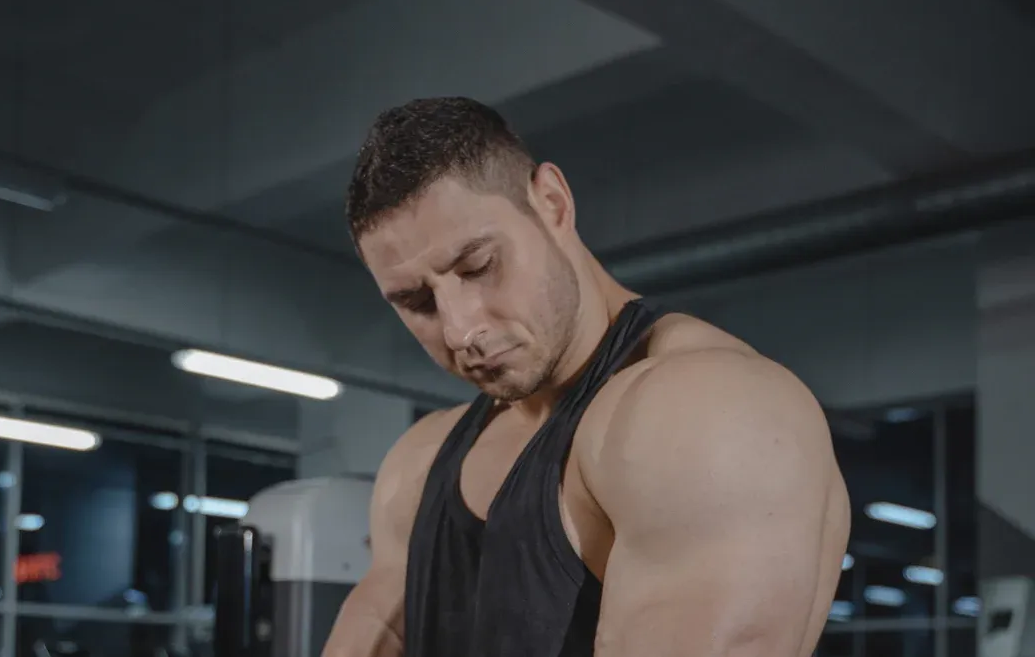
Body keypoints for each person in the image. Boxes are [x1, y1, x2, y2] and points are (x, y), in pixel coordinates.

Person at [322, 97, 851, 657]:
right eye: (416, 301)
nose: (458, 330)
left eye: (478, 267)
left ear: (551, 202)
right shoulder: (419, 463)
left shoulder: (708, 412)